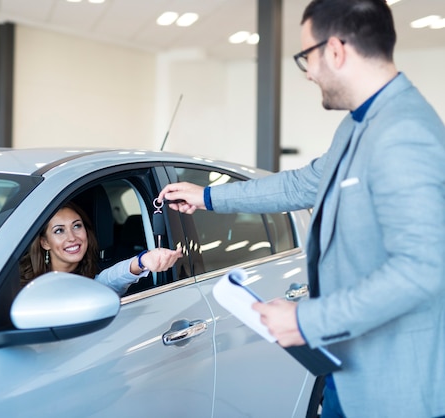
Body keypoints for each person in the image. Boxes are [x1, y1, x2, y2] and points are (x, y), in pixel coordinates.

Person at [158, 0, 445, 416]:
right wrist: (206, 197)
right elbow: (305, 182)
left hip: (395, 389)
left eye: (305, 56)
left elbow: (423, 269)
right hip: (348, 370)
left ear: (335, 51)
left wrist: (307, 320)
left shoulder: (404, 132)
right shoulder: (359, 124)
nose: (308, 72)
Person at [21, 202, 182, 296]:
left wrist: (142, 261)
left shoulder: (90, 282)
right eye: (59, 230)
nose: (72, 237)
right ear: (45, 242)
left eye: (77, 226)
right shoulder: (22, 285)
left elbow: (109, 279)